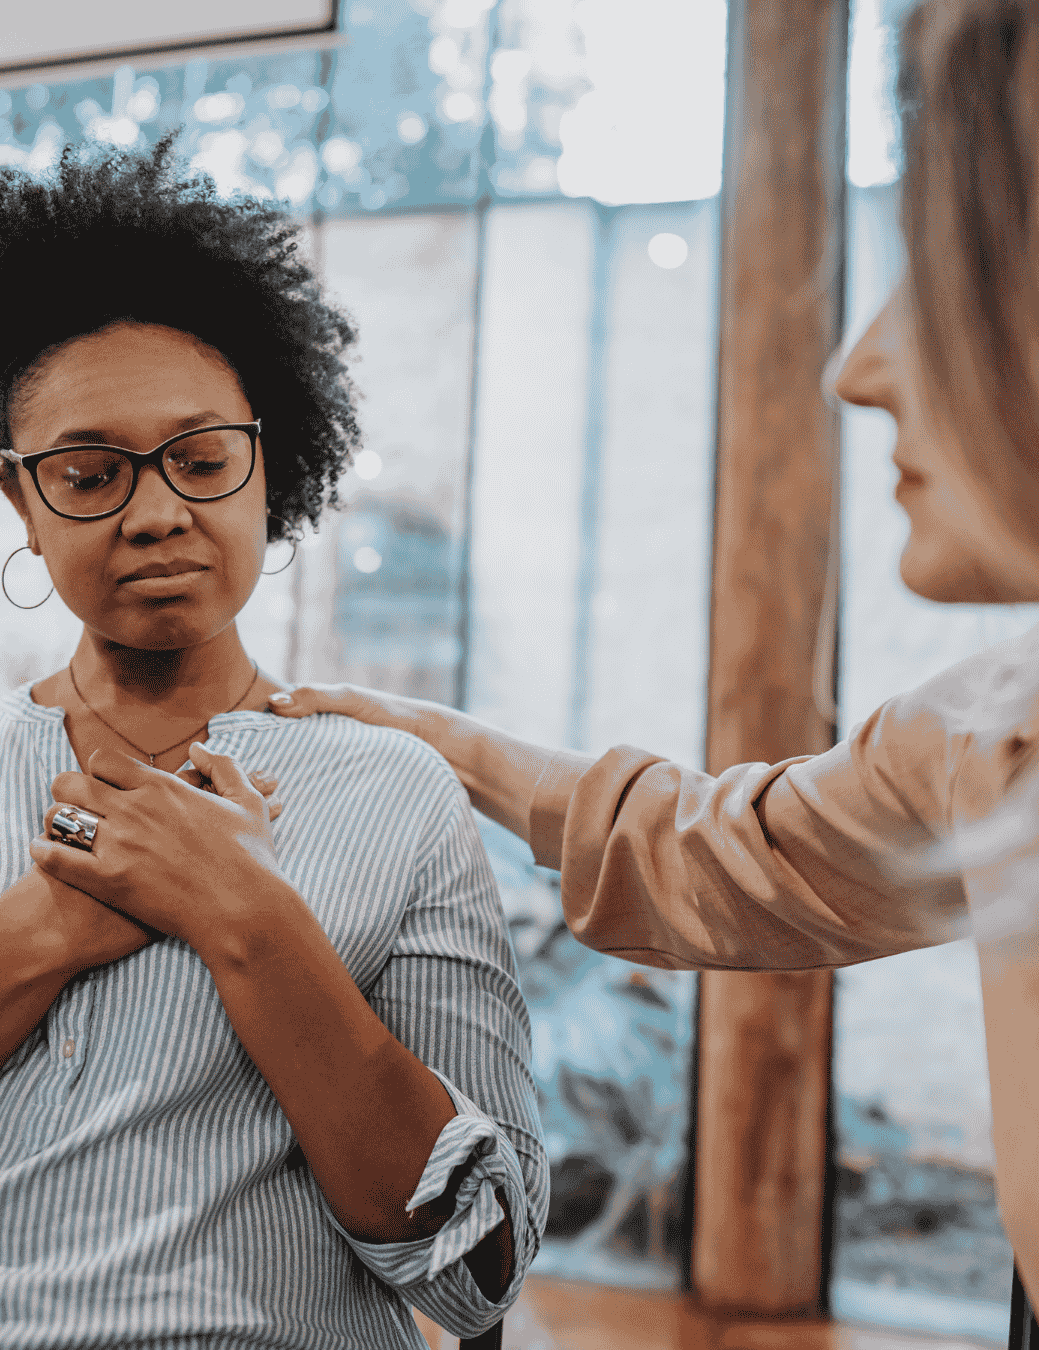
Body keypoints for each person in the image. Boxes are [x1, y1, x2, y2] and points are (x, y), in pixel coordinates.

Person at [264, 0, 1039, 1330]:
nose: (857, 369)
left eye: (945, 267)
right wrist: (433, 742)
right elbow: (719, 850)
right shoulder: (990, 732)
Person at [0, 138, 547, 1348]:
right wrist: (45, 927)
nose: (159, 510)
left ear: (268, 469)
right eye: (88, 472)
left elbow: (478, 1270)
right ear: (20, 500)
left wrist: (246, 915)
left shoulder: (395, 791)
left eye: (202, 457)